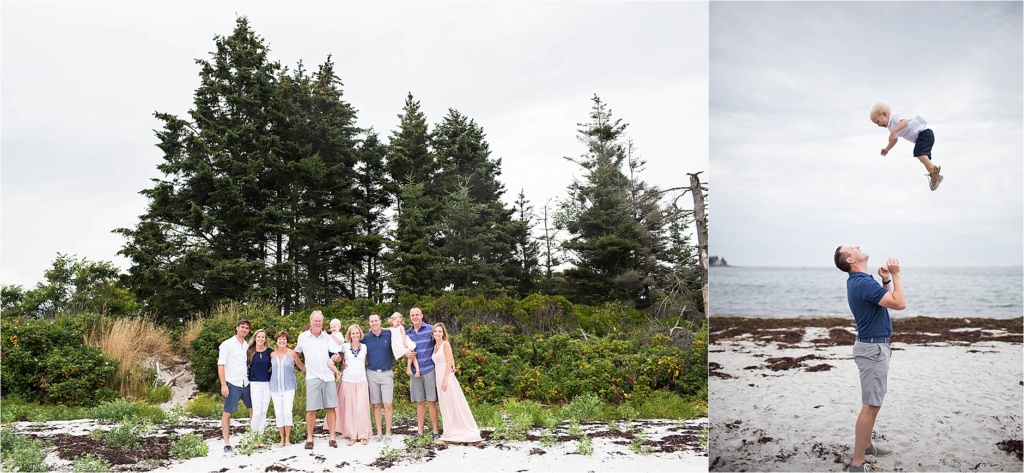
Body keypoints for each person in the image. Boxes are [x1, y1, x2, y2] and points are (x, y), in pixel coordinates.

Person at [834, 246, 906, 472]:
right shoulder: (863, 283)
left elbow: (885, 301)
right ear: (850, 259)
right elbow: (899, 303)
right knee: (871, 405)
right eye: (852, 248)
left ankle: (866, 447)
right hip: (873, 348)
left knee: (873, 402)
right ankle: (857, 463)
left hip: (874, 346)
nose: (857, 246)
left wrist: (885, 280)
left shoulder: (862, 280)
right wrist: (896, 274)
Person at [339, 312, 402, 442]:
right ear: (369, 323)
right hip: (371, 373)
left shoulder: (389, 335)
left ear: (380, 321)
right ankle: (378, 433)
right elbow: (352, 346)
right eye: (371, 321)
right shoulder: (365, 338)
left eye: (376, 320)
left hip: (387, 372)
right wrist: (343, 361)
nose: (374, 323)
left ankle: (388, 433)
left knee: (388, 404)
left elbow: (400, 333)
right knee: (376, 404)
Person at [870, 103, 943, 191]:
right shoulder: (890, 128)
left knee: (919, 153)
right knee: (921, 157)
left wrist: (894, 130)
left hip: (924, 133)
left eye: (878, 121)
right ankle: (935, 176)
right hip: (921, 137)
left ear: (885, 114)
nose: (878, 125)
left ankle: (933, 170)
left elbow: (904, 122)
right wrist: (887, 149)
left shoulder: (894, 117)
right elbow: (894, 140)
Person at [430, 323, 483, 445]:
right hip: (438, 376)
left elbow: (448, 362)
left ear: (443, 333)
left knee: (452, 403)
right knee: (445, 405)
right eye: (435, 331)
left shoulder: (445, 344)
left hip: (446, 377)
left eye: (440, 331)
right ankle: (449, 430)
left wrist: (444, 380)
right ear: (433, 334)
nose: (437, 334)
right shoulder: (435, 346)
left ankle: (456, 432)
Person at [294, 310, 339, 449]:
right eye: (315, 321)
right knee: (311, 409)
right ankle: (309, 438)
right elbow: (295, 353)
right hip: (312, 376)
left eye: (320, 321)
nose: (318, 323)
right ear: (310, 322)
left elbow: (336, 354)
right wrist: (301, 366)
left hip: (328, 376)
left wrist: (337, 358)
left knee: (331, 407)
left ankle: (332, 437)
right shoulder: (303, 337)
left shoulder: (328, 337)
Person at [218, 319, 251, 454]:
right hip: (232, 383)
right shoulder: (227, 344)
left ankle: (253, 437)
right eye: (242, 327)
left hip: (247, 383)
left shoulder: (248, 345)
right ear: (237, 328)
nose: (244, 329)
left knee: (253, 409)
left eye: (247, 328)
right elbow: (221, 365)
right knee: (227, 413)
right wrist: (223, 384)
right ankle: (226, 443)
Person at [335, 324, 372, 446]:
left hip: (361, 380)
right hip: (348, 380)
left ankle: (362, 435)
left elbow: (366, 361)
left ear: (360, 334)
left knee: (361, 408)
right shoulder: (344, 347)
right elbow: (336, 357)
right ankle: (351, 435)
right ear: (349, 335)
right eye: (353, 333)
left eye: (357, 333)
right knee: (349, 409)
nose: (355, 335)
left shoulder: (365, 347)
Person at [406, 307, 439, 438]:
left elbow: (442, 343)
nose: (415, 317)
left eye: (417, 315)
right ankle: (420, 431)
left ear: (422, 316)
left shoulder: (431, 330)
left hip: (429, 369)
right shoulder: (407, 333)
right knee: (419, 402)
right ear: (410, 317)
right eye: (412, 315)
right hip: (415, 372)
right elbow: (404, 350)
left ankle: (435, 431)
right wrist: (405, 354)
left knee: (431, 401)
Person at [270, 330, 305, 447]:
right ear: (276, 341)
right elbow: (268, 370)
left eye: (284, 339)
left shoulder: (292, 354)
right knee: (278, 413)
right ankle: (281, 440)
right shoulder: (272, 355)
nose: (282, 340)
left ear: (287, 341)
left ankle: (288, 439)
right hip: (274, 388)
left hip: (289, 387)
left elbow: (302, 367)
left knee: (287, 412)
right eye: (280, 339)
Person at [247, 329, 273, 448]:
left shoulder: (269, 351)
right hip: (255, 383)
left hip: (267, 383)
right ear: (255, 338)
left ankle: (260, 438)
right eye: (259, 337)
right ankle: (253, 438)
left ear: (265, 339)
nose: (261, 339)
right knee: (257, 411)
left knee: (263, 412)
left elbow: (277, 361)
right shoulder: (250, 351)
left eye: (263, 337)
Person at [389, 311, 420, 377]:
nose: (399, 323)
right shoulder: (391, 329)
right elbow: (385, 329)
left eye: (400, 322)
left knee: (411, 353)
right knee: (412, 355)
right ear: (392, 321)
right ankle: (415, 370)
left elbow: (403, 334)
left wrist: (405, 342)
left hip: (404, 342)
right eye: (397, 321)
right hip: (399, 345)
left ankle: (411, 368)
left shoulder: (401, 327)